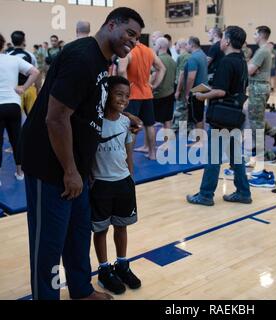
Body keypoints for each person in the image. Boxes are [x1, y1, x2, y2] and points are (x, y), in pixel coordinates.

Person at [20, 7, 144, 300]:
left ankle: (81, 290)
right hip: (51, 166)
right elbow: (56, 117)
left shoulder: (102, 61)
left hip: (76, 167)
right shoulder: (82, 57)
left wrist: (125, 119)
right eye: (129, 33)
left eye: (137, 38)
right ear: (111, 25)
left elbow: (89, 111)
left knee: (78, 236)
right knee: (48, 244)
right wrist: (70, 170)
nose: (133, 41)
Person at [186, 26, 252, 206]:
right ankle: (243, 192)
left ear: (227, 41)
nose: (220, 41)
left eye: (222, 38)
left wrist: (202, 95)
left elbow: (221, 91)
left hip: (223, 114)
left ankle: (205, 195)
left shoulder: (227, 62)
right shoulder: (242, 61)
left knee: (214, 157)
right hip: (235, 114)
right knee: (235, 155)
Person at [90, 76, 141, 295]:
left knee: (122, 226)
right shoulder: (95, 122)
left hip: (123, 183)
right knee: (100, 229)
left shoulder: (125, 122)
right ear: (107, 94)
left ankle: (122, 265)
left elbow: (128, 151)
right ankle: (104, 271)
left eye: (127, 95)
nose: (124, 99)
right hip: (100, 185)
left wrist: (130, 177)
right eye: (119, 94)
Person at [0, 33, 39, 184]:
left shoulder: (13, 57)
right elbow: (35, 72)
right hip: (13, 105)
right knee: (16, 139)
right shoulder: (14, 59)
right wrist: (24, 87)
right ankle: (20, 172)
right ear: (3, 44)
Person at [119, 38, 166, 160]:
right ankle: (152, 153)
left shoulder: (128, 51)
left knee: (132, 128)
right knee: (150, 125)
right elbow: (162, 68)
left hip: (133, 95)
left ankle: (128, 158)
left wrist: (125, 90)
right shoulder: (149, 51)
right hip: (147, 94)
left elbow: (121, 70)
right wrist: (154, 85)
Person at [247, 26, 272, 167]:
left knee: (256, 123)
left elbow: (249, 70)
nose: (254, 35)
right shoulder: (263, 50)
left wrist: (249, 67)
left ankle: (260, 155)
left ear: (261, 35)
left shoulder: (262, 51)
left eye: (255, 33)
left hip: (258, 89)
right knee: (258, 121)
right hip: (260, 87)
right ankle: (263, 152)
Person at [184, 36, 208, 146]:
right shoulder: (202, 54)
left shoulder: (193, 58)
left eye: (187, 44)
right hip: (203, 87)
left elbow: (191, 77)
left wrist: (187, 93)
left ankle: (199, 141)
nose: (186, 46)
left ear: (192, 45)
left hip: (196, 89)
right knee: (199, 114)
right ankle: (201, 138)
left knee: (196, 115)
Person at [8, 30, 40, 115]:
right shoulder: (31, 55)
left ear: (12, 41)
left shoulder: (8, 56)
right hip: (29, 88)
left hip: (15, 90)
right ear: (24, 41)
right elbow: (36, 73)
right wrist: (38, 88)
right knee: (32, 117)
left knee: (16, 118)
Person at [153, 37, 177, 130]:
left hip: (158, 94)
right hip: (170, 93)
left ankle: (151, 144)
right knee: (168, 120)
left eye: (155, 44)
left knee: (150, 123)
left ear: (159, 46)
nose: (154, 46)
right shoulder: (172, 61)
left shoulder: (157, 60)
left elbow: (154, 75)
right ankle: (168, 143)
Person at [173, 38, 192, 132]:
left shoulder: (182, 57)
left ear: (180, 46)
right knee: (185, 108)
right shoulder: (188, 56)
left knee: (180, 108)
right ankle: (186, 128)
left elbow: (181, 74)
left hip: (183, 87)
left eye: (176, 45)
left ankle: (179, 128)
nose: (175, 47)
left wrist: (178, 90)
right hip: (186, 86)